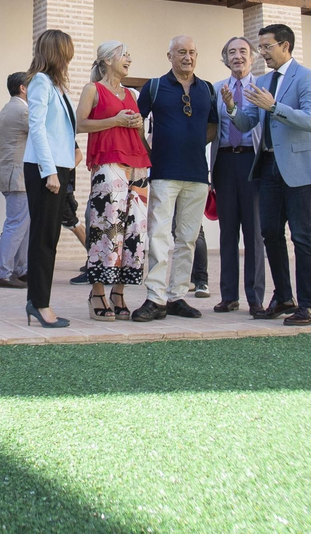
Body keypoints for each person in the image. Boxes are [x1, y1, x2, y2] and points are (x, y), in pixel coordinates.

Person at [225, 23, 311, 326]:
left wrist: (275, 106)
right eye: (261, 47)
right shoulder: (264, 80)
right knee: (269, 231)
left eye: (266, 47)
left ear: (285, 46)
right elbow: (247, 123)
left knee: (302, 236)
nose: (262, 53)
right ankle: (284, 297)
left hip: (300, 169)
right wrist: (231, 108)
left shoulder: (307, 77)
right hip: (268, 167)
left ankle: (309, 306)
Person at [132, 35, 218, 323]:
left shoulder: (207, 89)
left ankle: (177, 296)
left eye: (193, 52)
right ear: (169, 55)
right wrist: (150, 154)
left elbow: (213, 127)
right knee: (157, 235)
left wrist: (192, 146)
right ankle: (155, 298)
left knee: (188, 238)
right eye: (181, 52)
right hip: (164, 174)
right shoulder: (154, 87)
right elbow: (136, 124)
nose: (188, 57)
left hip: (196, 175)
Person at [75, 41, 150, 321]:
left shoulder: (131, 93)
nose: (129, 58)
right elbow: (79, 124)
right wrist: (116, 120)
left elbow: (137, 134)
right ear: (107, 60)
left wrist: (138, 125)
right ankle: (97, 293)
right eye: (124, 54)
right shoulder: (93, 89)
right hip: (109, 165)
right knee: (106, 229)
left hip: (138, 167)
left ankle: (119, 292)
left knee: (134, 232)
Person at [23, 29, 78, 328]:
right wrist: (50, 171)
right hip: (45, 169)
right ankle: (39, 304)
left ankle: (39, 300)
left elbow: (63, 129)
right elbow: (37, 128)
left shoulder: (57, 86)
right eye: (67, 50)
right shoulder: (41, 83)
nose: (70, 56)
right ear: (57, 52)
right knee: (44, 239)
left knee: (50, 238)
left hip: (59, 167)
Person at [210, 35, 265, 313]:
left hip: (252, 164)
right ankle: (229, 296)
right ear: (225, 59)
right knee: (227, 232)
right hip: (224, 164)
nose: (237, 56)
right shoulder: (217, 89)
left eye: (243, 51)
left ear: (252, 57)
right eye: (231, 52)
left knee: (254, 232)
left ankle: (255, 298)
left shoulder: (262, 87)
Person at [0, 72, 31, 289]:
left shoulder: (9, 108)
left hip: (14, 174)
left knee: (23, 225)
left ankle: (21, 271)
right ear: (23, 88)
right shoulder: (22, 110)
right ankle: (3, 273)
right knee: (16, 225)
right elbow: (40, 132)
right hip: (17, 176)